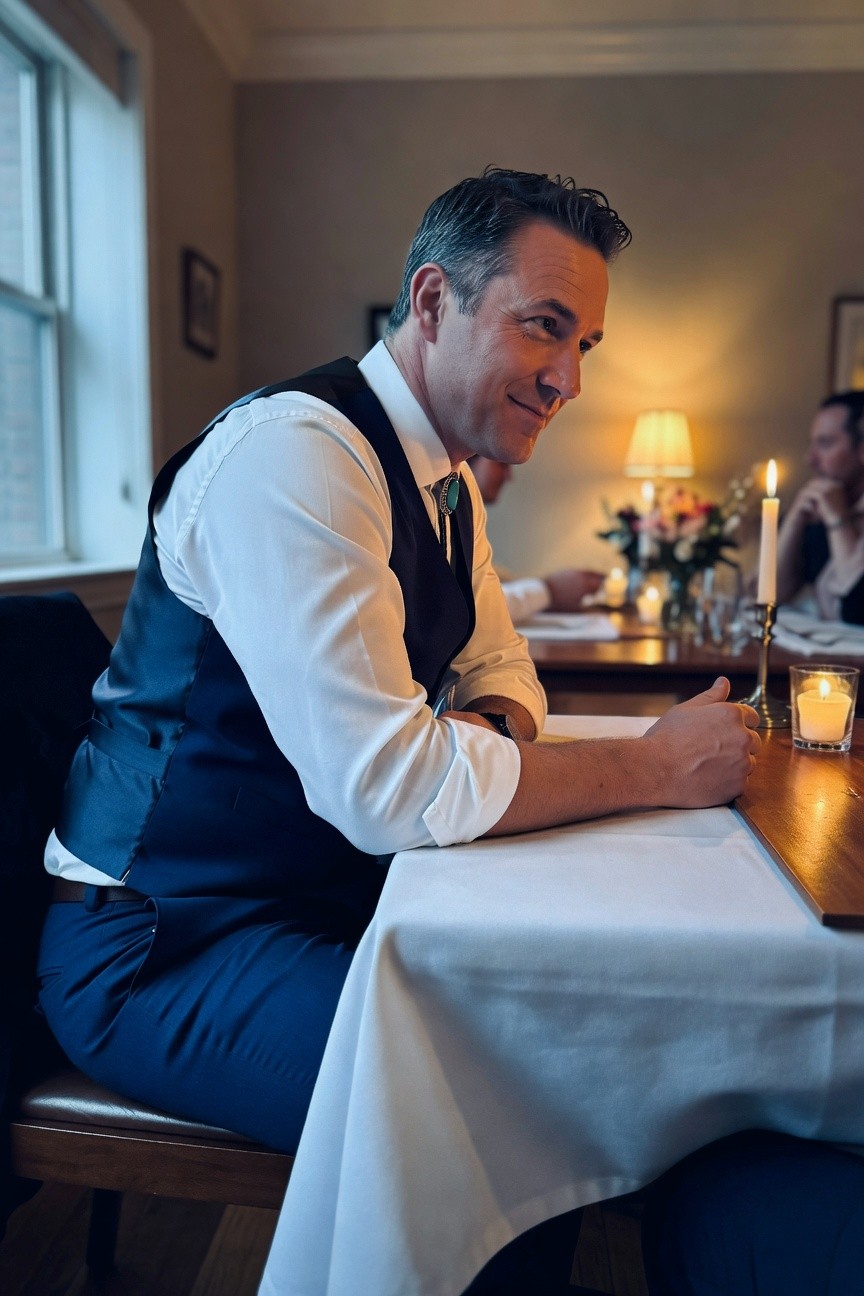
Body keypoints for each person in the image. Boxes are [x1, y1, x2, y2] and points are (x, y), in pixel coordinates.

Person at [36, 167, 760, 1292]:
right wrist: (653, 767)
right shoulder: (298, 454)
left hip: (319, 900)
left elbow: (503, 668)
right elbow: (391, 793)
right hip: (159, 945)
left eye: (585, 345)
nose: (569, 378)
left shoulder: (448, 483)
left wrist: (468, 742)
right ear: (432, 302)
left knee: (559, 1032)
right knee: (506, 1120)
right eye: (545, 327)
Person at [467, 454, 605, 622]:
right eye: (502, 464)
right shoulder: (442, 518)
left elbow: (485, 581)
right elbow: (475, 606)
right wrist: (550, 591)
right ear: (468, 457)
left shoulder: (469, 520)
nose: (508, 477)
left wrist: (553, 587)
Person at [775, 390, 864, 623]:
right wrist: (794, 521)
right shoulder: (816, 516)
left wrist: (838, 520)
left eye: (825, 443)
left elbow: (857, 608)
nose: (810, 459)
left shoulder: (833, 512)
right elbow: (770, 595)